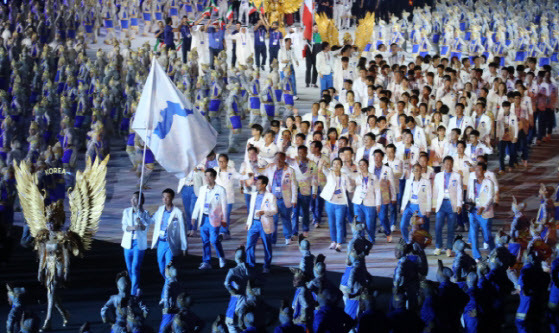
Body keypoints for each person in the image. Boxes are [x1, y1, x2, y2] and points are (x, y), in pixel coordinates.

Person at [191, 168, 227, 270]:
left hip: (214, 218)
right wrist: (194, 216)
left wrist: (224, 220)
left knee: (214, 240)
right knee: (205, 241)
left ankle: (221, 257)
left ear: (214, 177)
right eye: (205, 176)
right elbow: (198, 204)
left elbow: (224, 206)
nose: (207, 178)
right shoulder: (202, 189)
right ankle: (206, 261)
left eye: (209, 176)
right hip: (203, 218)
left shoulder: (220, 190)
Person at [150, 189, 188, 283]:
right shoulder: (160, 210)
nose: (165, 199)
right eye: (163, 197)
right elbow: (151, 220)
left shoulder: (178, 213)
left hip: (170, 244)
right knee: (161, 269)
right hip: (161, 243)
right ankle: (172, 285)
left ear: (172, 198)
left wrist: (184, 247)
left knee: (168, 269)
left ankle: (165, 296)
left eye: (167, 197)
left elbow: (183, 231)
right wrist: (142, 213)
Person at [120, 191, 152, 296]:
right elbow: (124, 226)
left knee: (135, 267)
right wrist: (133, 227)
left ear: (141, 201)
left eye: (136, 199)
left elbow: (145, 228)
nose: (133, 200)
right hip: (127, 244)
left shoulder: (145, 213)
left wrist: (141, 218)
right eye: (132, 198)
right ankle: (136, 287)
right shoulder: (126, 211)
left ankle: (133, 292)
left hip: (138, 244)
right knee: (129, 268)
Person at [320, 158, 355, 252]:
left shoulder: (344, 176)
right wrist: (324, 163)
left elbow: (349, 189)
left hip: (341, 203)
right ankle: (333, 241)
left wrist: (352, 185)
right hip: (330, 202)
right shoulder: (330, 173)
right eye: (334, 164)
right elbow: (324, 169)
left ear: (341, 165)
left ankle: (339, 243)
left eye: (338, 164)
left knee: (339, 223)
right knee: (331, 223)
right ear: (332, 165)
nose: (336, 165)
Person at [246, 175, 278, 273]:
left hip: (265, 223)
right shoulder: (254, 195)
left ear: (264, 185)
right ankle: (250, 264)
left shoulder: (271, 196)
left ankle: (267, 265)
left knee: (267, 245)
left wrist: (264, 212)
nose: (256, 185)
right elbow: (251, 210)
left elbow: (274, 211)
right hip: (254, 223)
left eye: (259, 183)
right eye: (256, 183)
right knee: (249, 244)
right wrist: (248, 222)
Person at [264, 152, 298, 245]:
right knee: (273, 219)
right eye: (276, 159)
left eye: (280, 159)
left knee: (286, 218)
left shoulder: (290, 171)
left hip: (284, 199)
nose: (278, 161)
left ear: (284, 159)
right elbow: (266, 182)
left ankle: (287, 237)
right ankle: (272, 238)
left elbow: (294, 186)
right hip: (273, 199)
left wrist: (294, 199)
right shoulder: (270, 169)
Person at [433, 156, 463, 257]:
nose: (448, 165)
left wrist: (459, 204)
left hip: (452, 203)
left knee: (451, 227)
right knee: (438, 226)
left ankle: (449, 247)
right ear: (443, 164)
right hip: (441, 203)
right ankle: (438, 246)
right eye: (446, 163)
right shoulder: (438, 176)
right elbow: (435, 190)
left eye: (450, 164)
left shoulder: (457, 176)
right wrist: (433, 204)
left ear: (452, 164)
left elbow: (459, 191)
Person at [467, 162, 495, 260]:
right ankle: (477, 256)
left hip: (484, 212)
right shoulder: (472, 182)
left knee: (487, 235)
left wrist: (483, 207)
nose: (476, 172)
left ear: (483, 171)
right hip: (473, 211)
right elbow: (470, 195)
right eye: (475, 169)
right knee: (473, 234)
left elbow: (491, 197)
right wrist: (469, 203)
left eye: (479, 170)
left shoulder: (489, 183)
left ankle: (493, 252)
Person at [290, 145, 318, 238]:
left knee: (305, 211)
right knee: (295, 212)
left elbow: (314, 178)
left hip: (306, 190)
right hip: (295, 191)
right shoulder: (293, 163)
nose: (301, 155)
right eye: (299, 153)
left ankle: (305, 229)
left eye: (303, 153)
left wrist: (314, 191)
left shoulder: (312, 164)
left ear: (306, 153)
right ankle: (294, 231)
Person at [400, 163, 432, 243]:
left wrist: (428, 209)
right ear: (413, 171)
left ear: (421, 171)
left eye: (419, 170)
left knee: (423, 224)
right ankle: (408, 241)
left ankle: (422, 240)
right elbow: (405, 195)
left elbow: (429, 196)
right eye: (416, 170)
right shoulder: (408, 181)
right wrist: (402, 207)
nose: (417, 172)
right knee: (403, 224)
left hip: (421, 205)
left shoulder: (426, 182)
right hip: (410, 205)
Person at [352, 159, 381, 244]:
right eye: (360, 165)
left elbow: (378, 191)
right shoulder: (356, 176)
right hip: (358, 202)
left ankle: (371, 238)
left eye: (364, 165)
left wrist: (378, 204)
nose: (362, 167)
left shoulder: (373, 177)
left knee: (369, 224)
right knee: (359, 223)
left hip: (370, 203)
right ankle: (361, 240)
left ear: (367, 165)